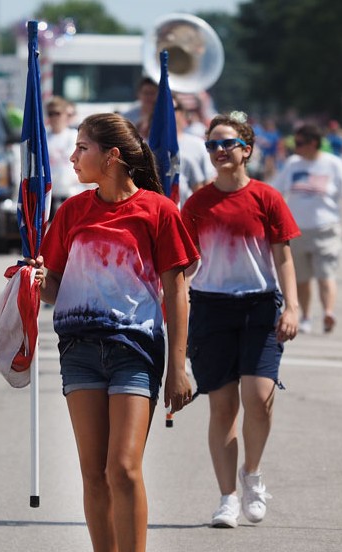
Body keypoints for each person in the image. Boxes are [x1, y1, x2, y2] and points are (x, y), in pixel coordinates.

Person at [30, 113, 198, 552]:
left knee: (122, 468)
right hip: (79, 349)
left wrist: (178, 368)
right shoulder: (71, 211)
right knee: (93, 473)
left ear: (112, 157)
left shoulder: (158, 211)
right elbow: (54, 288)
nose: (72, 157)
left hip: (135, 349)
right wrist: (35, 277)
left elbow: (177, 294)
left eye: (83, 148)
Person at [180, 112, 300, 529]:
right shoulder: (196, 203)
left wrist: (294, 307)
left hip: (259, 306)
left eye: (227, 143)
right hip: (211, 308)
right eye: (212, 145)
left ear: (246, 149)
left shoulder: (266, 198)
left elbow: (283, 255)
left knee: (260, 397)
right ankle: (227, 497)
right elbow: (184, 262)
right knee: (223, 407)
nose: (219, 151)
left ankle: (253, 474)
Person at [272, 124, 342, 334]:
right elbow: (278, 193)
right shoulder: (293, 164)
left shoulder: (334, 164)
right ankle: (305, 316)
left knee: (325, 273)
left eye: (300, 143)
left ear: (313, 143)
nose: (296, 148)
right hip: (296, 230)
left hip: (326, 229)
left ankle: (329, 311)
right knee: (301, 278)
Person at [45, 96, 82, 219]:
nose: (54, 117)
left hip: (70, 192)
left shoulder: (74, 136)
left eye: (57, 113)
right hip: (49, 193)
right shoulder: (43, 137)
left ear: (66, 114)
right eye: (51, 114)